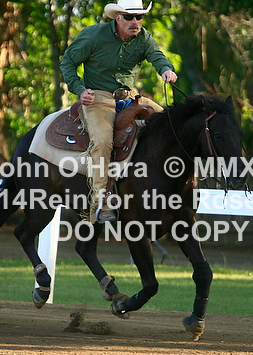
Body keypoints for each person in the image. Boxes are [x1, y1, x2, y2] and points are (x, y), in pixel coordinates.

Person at [60, 0, 177, 223]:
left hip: (130, 97)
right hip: (98, 97)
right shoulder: (93, 36)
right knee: (102, 142)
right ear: (118, 18)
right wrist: (80, 90)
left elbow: (157, 55)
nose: (135, 22)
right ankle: (100, 202)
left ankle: (171, 191)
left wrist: (165, 70)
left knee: (169, 125)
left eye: (139, 17)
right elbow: (67, 62)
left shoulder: (144, 38)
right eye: (130, 17)